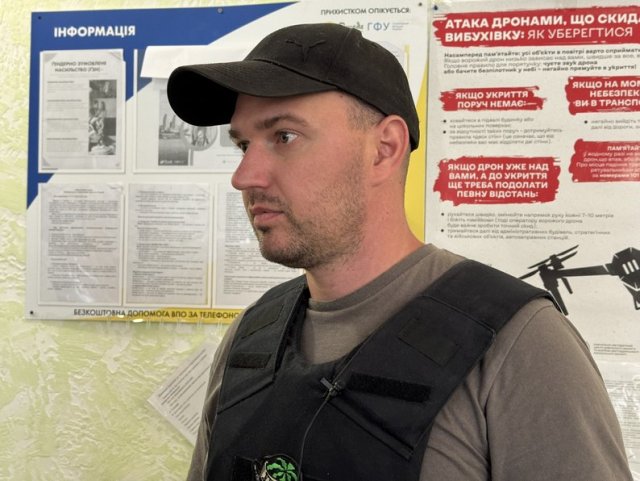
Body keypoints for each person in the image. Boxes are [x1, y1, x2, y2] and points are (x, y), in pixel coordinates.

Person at [167, 23, 633, 481]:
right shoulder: (250, 339)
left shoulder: (519, 344)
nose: (244, 176)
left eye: (284, 136)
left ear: (384, 149)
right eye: (244, 145)